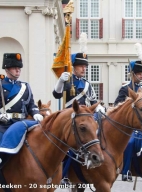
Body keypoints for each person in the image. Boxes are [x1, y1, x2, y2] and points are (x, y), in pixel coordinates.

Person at [0, 53, 43, 189]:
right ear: (6, 70)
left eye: (19, 68)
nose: (18, 70)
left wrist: (36, 114)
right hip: (3, 125)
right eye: (14, 67)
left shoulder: (25, 87)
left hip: (22, 124)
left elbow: (32, 106)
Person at [53, 52, 104, 184]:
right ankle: (64, 175)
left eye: (85, 66)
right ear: (74, 67)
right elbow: (56, 95)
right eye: (81, 66)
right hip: (71, 119)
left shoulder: (87, 84)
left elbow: (93, 101)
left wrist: (99, 108)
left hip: (85, 118)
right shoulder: (67, 81)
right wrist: (60, 82)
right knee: (68, 147)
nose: (84, 69)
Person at [114, 43, 142, 182]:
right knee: (129, 143)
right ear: (132, 74)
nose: (141, 76)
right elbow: (117, 105)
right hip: (128, 125)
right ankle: (126, 171)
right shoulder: (125, 88)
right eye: (139, 73)